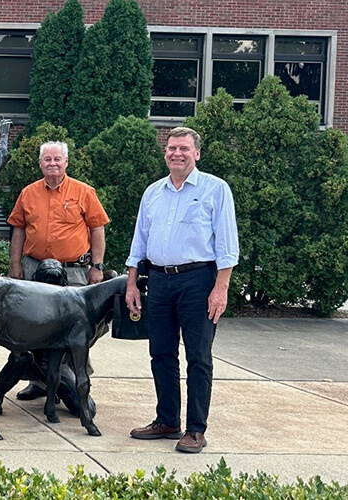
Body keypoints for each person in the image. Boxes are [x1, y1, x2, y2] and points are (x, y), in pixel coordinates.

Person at [126, 126, 239, 454]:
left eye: (184, 149)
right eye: (172, 148)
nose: (177, 153)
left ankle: (195, 429)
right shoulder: (153, 193)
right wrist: (132, 282)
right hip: (159, 281)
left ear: (197, 153)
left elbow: (227, 246)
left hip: (199, 281)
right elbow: (139, 242)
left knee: (198, 356)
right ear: (165, 153)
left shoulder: (215, 190)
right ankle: (167, 420)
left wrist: (221, 289)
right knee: (160, 352)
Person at [0, 140, 110, 412]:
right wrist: (15, 267)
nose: (52, 164)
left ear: (66, 162)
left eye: (57, 159)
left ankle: (77, 381)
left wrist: (97, 266)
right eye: (47, 160)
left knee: (74, 330)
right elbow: (18, 230)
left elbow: (97, 229)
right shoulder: (28, 193)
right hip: (35, 270)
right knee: (35, 326)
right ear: (40, 163)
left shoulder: (83, 192)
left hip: (74, 271)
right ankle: (39, 382)